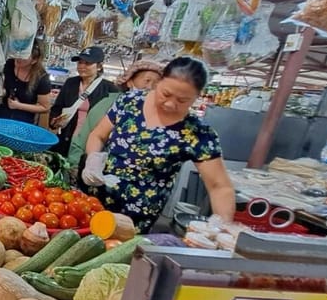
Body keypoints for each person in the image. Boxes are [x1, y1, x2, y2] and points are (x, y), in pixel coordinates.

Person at [83, 56, 235, 232]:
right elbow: (98, 135)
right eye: (166, 94)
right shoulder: (129, 102)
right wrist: (93, 160)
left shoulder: (197, 133)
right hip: (94, 201)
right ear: (159, 81)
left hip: (136, 219)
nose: (170, 104)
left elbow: (220, 187)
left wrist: (223, 229)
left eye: (183, 100)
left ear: (197, 97)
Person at [68, 59, 163, 173]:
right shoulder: (112, 104)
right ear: (129, 81)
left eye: (156, 83)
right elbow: (86, 137)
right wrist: (76, 166)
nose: (150, 87)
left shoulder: (161, 113)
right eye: (147, 80)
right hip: (99, 173)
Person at [49, 46, 119, 156]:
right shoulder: (71, 83)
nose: (82, 66)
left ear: (99, 66)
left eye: (87, 63)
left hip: (89, 139)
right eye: (80, 63)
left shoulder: (110, 89)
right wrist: (54, 121)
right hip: (66, 136)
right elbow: (57, 107)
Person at [0, 40, 52, 124]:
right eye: (19, 53)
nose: (19, 58)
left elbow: (45, 107)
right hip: (0, 116)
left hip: (23, 123)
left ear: (34, 60)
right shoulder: (8, 64)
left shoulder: (42, 78)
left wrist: (19, 106)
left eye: (24, 56)